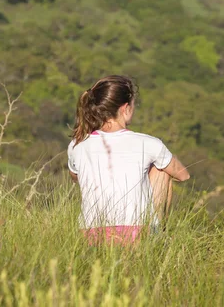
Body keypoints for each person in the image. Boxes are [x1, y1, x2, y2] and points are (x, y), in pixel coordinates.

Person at [67, 75, 190, 245]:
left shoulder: (77, 144)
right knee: (162, 170)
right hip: (136, 236)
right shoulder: (149, 143)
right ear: (125, 109)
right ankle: (159, 234)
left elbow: (76, 178)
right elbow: (183, 175)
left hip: (90, 235)